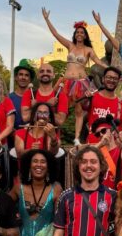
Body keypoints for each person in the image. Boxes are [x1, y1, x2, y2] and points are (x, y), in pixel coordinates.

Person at [41, 10, 108, 142]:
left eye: (82, 32)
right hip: (66, 82)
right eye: (77, 32)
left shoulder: (88, 50)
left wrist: (111, 69)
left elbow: (98, 61)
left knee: (78, 111)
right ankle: (50, 133)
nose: (79, 34)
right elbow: (56, 34)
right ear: (75, 34)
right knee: (56, 106)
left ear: (85, 35)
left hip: (80, 83)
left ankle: (76, 138)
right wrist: (47, 19)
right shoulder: (70, 45)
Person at [87, 119, 122, 188]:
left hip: (114, 194)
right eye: (97, 134)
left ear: (112, 131)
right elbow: (84, 156)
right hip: (97, 193)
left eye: (103, 131)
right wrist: (100, 144)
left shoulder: (120, 151)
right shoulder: (96, 150)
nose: (101, 135)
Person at [31, 61, 69, 127]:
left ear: (54, 75)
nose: (45, 73)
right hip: (32, 135)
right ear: (37, 75)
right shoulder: (29, 94)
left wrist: (36, 107)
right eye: (42, 71)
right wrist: (48, 104)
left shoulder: (61, 96)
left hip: (52, 135)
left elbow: (60, 121)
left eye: (48, 71)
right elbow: (25, 117)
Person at [8, 59, 36, 131]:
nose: (23, 77)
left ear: (30, 79)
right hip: (12, 139)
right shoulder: (8, 98)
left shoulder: (36, 97)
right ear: (16, 78)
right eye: (20, 74)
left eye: (26, 75)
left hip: (32, 139)